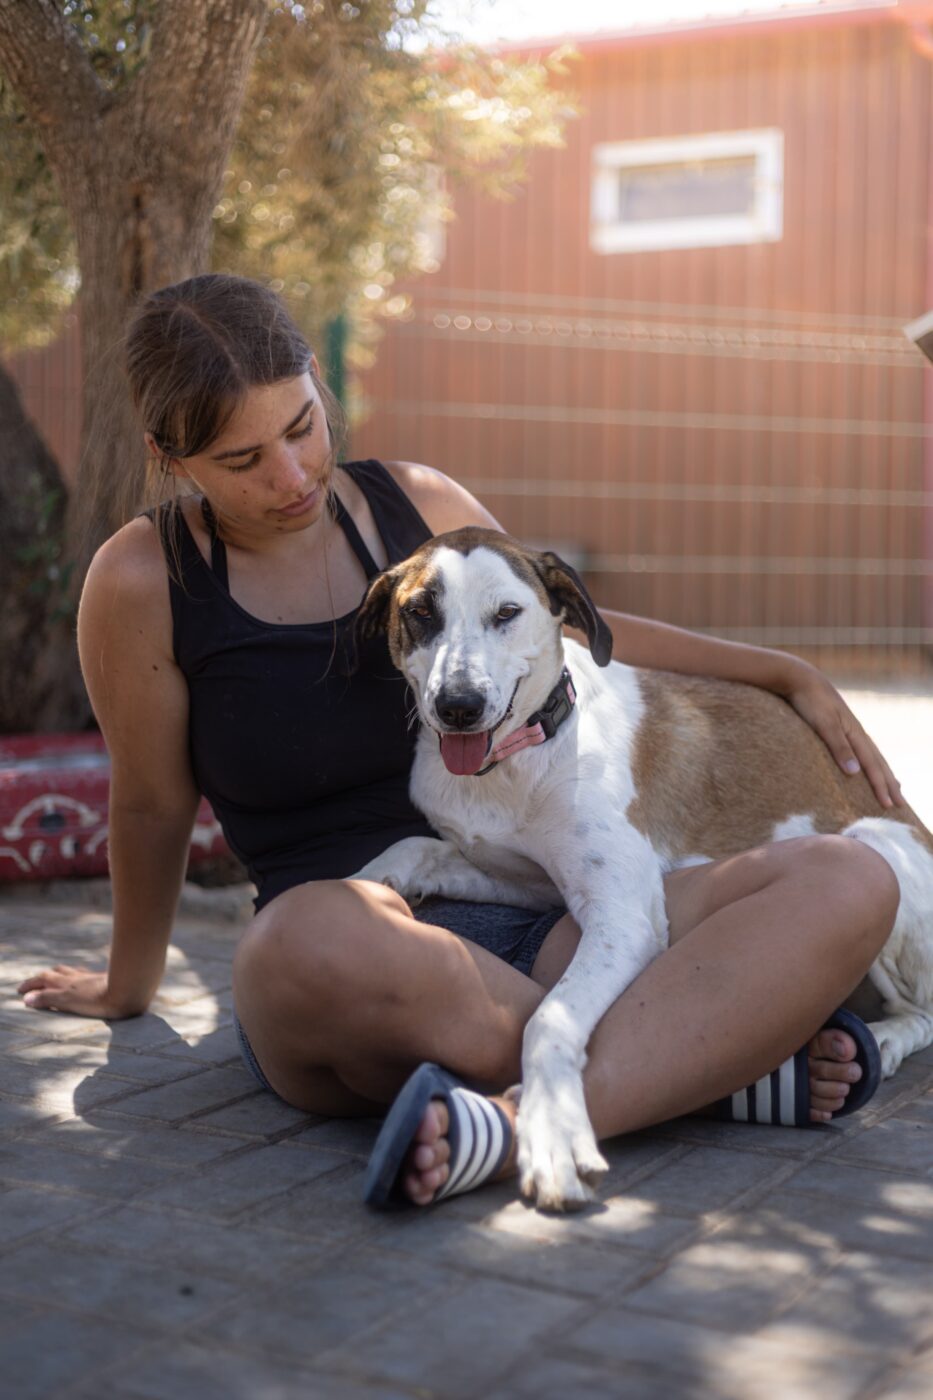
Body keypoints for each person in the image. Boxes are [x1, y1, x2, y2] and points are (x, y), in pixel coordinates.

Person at [18, 274, 902, 1209]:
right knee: (302, 938)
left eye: (302, 427)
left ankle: (515, 1124)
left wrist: (779, 670)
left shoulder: (415, 502)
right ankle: (701, 1063)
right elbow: (150, 804)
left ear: (318, 382)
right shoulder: (142, 579)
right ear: (169, 457)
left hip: (540, 909)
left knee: (846, 875)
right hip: (370, 960)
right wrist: (128, 985)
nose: (292, 476)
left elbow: (555, 625)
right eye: (243, 460)